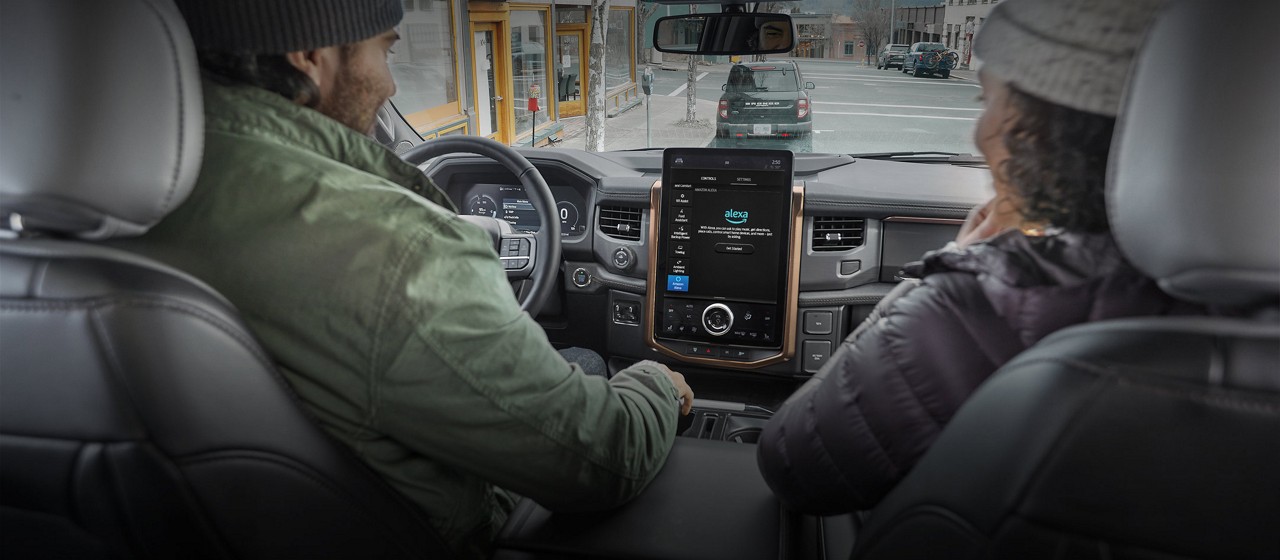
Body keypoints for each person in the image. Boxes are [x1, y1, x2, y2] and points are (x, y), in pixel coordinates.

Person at [107, 1, 694, 557]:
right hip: (433, 532)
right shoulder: (395, 243)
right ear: (310, 54)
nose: (390, 85)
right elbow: (599, 461)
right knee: (593, 367)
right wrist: (658, 382)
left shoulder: (113, 201)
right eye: (384, 51)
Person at [757, 0, 1192, 515]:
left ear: (1043, 135)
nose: (979, 135)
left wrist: (946, 271)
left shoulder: (987, 301)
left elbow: (794, 464)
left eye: (989, 103)